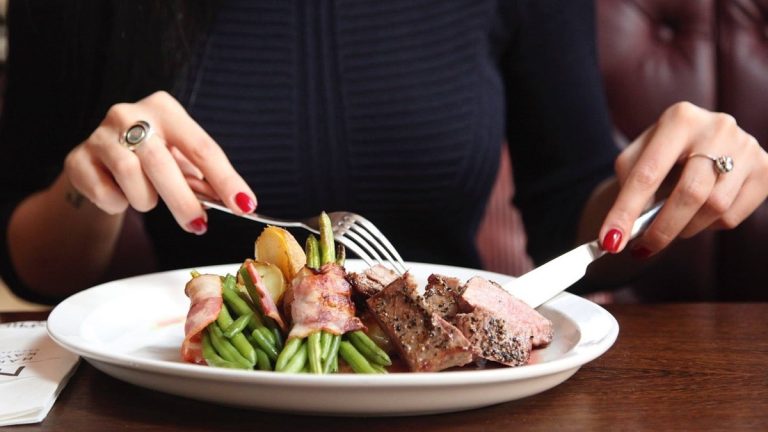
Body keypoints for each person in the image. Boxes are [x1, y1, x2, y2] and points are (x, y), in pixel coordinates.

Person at [1, 0, 766, 304]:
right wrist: (88, 189)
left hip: (459, 398)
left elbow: (572, 210)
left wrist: (668, 191)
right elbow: (32, 270)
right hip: (187, 391)